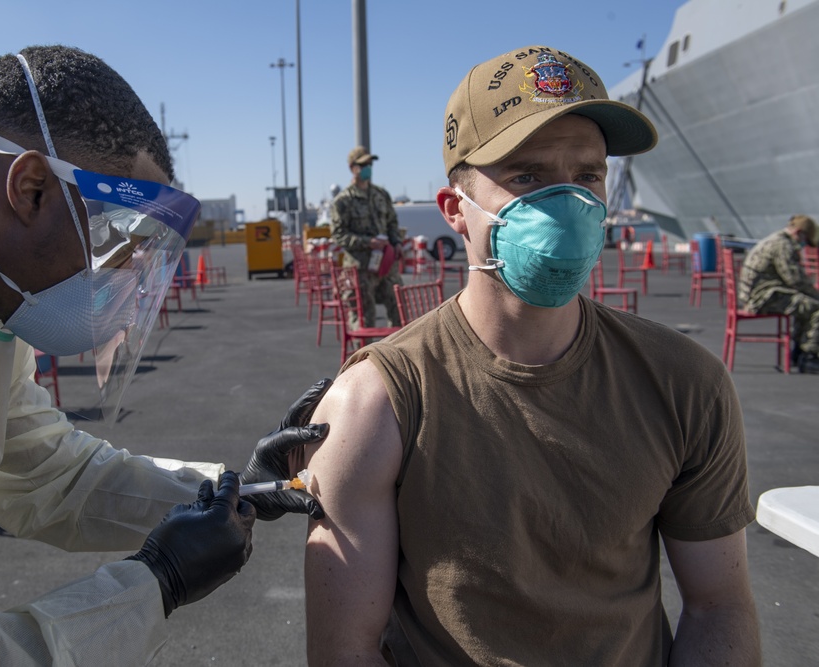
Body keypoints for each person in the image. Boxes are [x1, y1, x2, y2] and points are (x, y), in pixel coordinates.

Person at [0, 45, 332, 665]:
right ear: (31, 189)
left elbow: (50, 472)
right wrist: (156, 582)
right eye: (115, 232)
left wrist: (228, 490)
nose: (124, 268)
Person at [301, 46, 761, 666]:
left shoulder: (685, 383)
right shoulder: (374, 405)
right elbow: (346, 650)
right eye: (527, 177)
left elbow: (718, 605)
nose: (567, 204)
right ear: (456, 211)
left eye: (588, 175)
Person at [330, 146, 403, 328]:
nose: (367, 169)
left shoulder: (381, 195)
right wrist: (368, 242)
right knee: (363, 319)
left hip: (386, 264)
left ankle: (395, 347)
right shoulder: (343, 201)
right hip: (360, 268)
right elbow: (338, 234)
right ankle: (362, 348)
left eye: (370, 164)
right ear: (352, 168)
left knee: (399, 311)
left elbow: (392, 222)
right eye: (363, 165)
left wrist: (396, 243)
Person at [737, 214, 819, 373]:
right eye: (805, 240)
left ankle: (799, 353)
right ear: (799, 232)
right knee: (816, 308)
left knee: (805, 305)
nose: (803, 245)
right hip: (764, 297)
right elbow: (795, 279)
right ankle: (810, 357)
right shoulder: (783, 245)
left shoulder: (775, 239)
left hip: (758, 295)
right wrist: (816, 295)